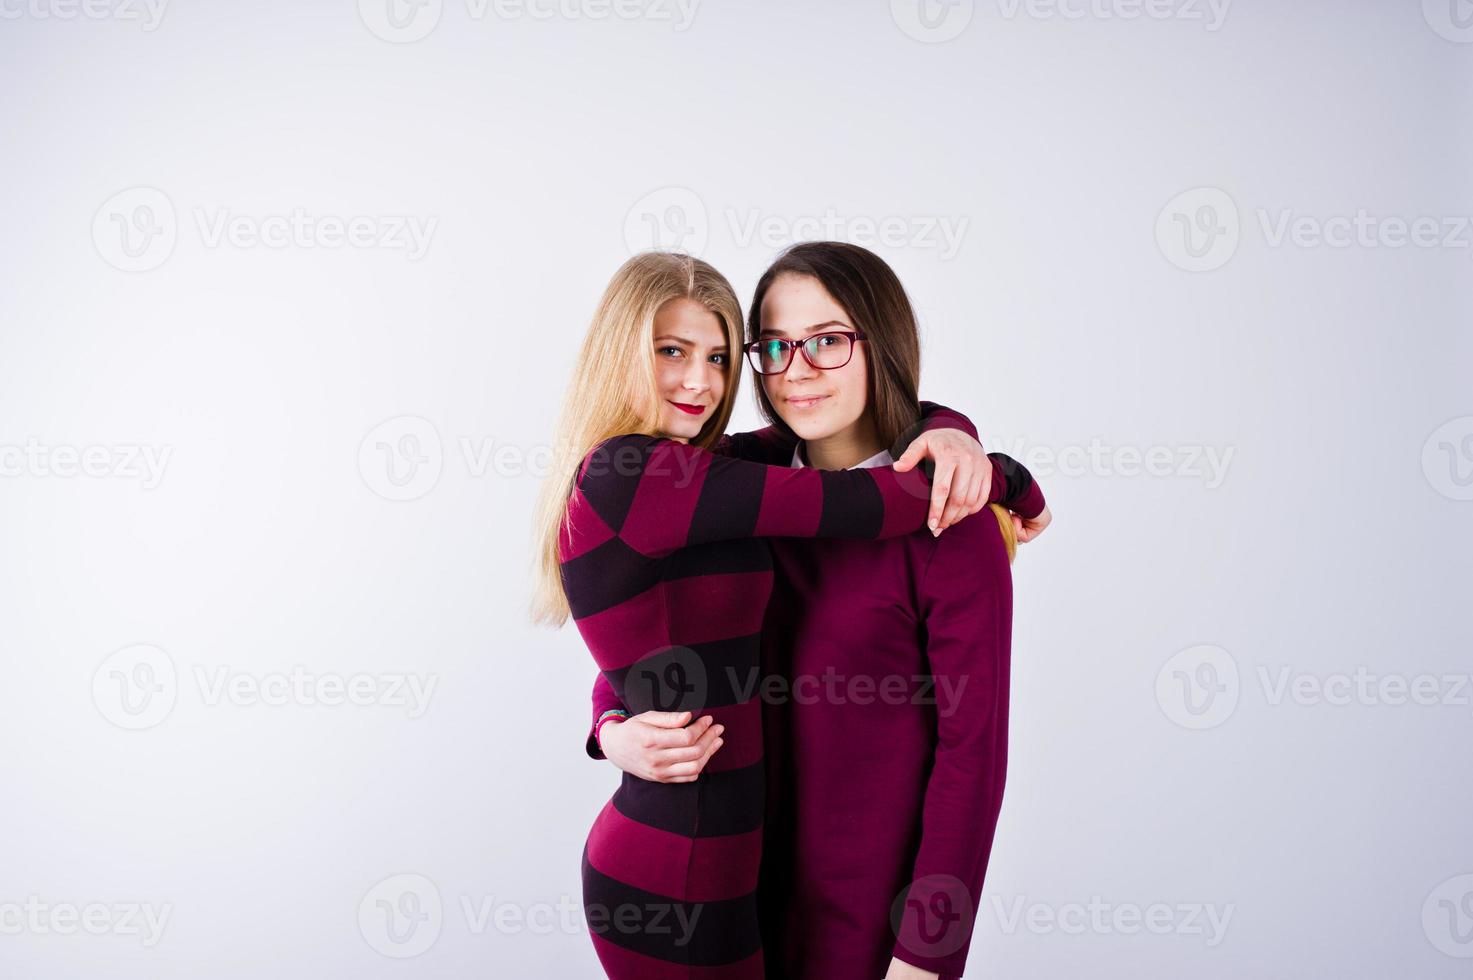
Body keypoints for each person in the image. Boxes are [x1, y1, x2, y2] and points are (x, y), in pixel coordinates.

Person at [531, 250, 1011, 978]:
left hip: (868, 919)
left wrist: (926, 952)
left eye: (826, 340)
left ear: (881, 344)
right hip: (725, 894)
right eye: (775, 346)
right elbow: (649, 634)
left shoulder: (952, 521)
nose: (795, 369)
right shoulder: (726, 483)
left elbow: (971, 759)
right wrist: (613, 730)